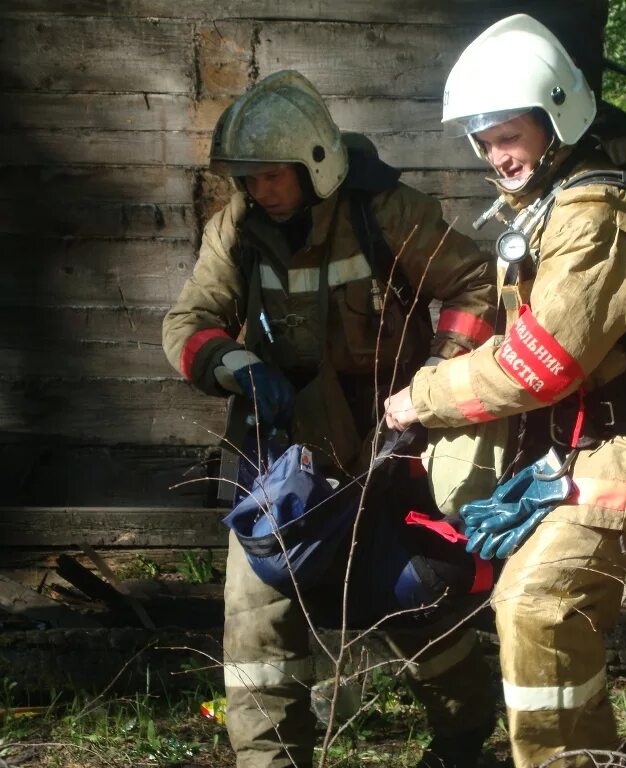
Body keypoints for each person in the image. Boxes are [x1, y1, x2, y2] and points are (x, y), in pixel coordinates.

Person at [385, 15, 626, 767]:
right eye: (486, 139)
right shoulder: (554, 211)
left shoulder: (597, 218)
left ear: (558, 117)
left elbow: (540, 365)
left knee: (536, 604)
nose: (498, 154)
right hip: (587, 451)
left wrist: (424, 395)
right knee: (527, 607)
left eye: (512, 134)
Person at [162, 70, 499, 768]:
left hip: (388, 449)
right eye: (247, 179)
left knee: (416, 602)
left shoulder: (385, 212)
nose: (257, 192)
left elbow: (473, 283)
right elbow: (188, 322)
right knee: (258, 626)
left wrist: (438, 374)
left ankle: (464, 744)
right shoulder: (240, 230)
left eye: (270, 177)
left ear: (315, 164)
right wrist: (235, 365)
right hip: (281, 460)